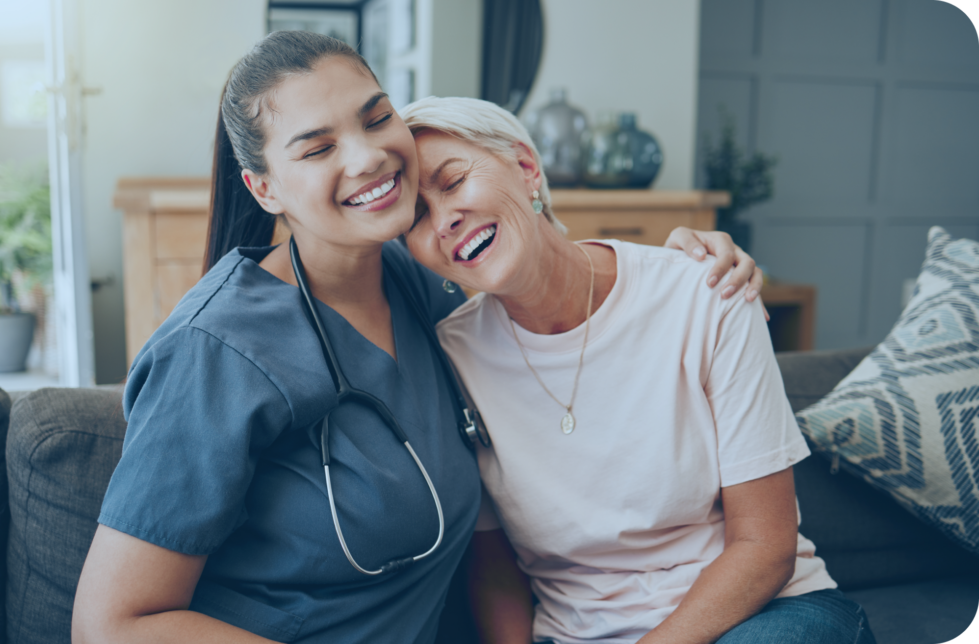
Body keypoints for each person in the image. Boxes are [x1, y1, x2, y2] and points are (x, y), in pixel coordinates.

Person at [72, 32, 761, 643]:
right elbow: (112, 624)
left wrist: (678, 264)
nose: (368, 157)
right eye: (317, 148)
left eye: (376, 118)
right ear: (264, 188)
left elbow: (542, 263)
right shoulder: (213, 350)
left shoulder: (423, 279)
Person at [400, 96, 876, 644]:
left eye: (454, 181)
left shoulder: (707, 292)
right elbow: (493, 568)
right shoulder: (450, 358)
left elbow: (766, 549)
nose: (444, 219)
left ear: (526, 168)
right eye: (415, 216)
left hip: (764, 618)